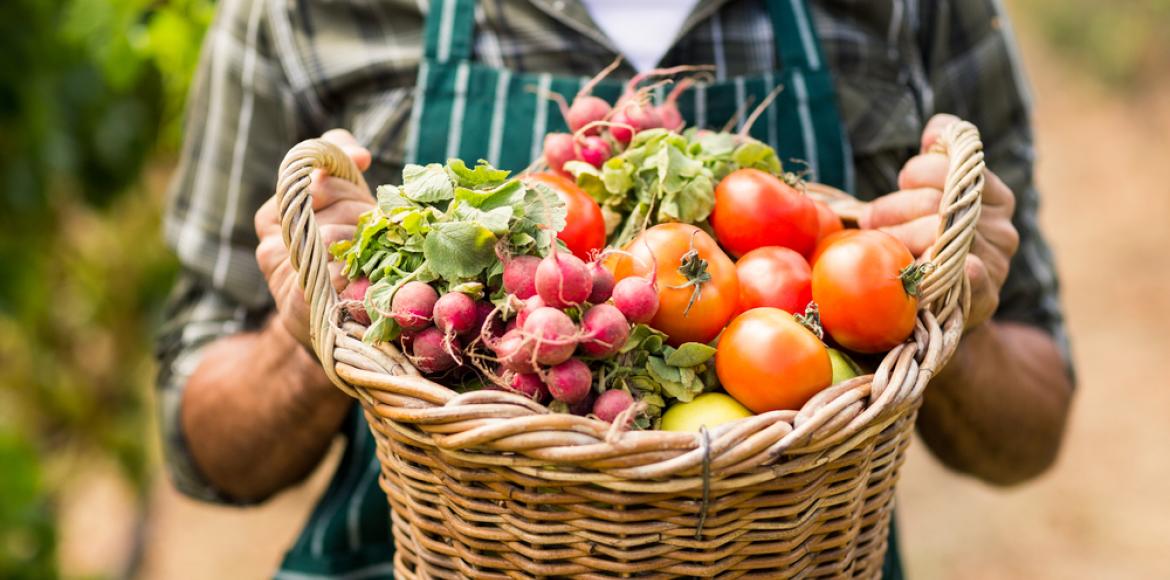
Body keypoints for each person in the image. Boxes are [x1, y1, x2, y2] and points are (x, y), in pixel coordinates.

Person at [156, 0, 1074, 577]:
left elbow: (1031, 433)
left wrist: (950, 308)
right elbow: (203, 449)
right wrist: (319, 327)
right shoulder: (300, 12)